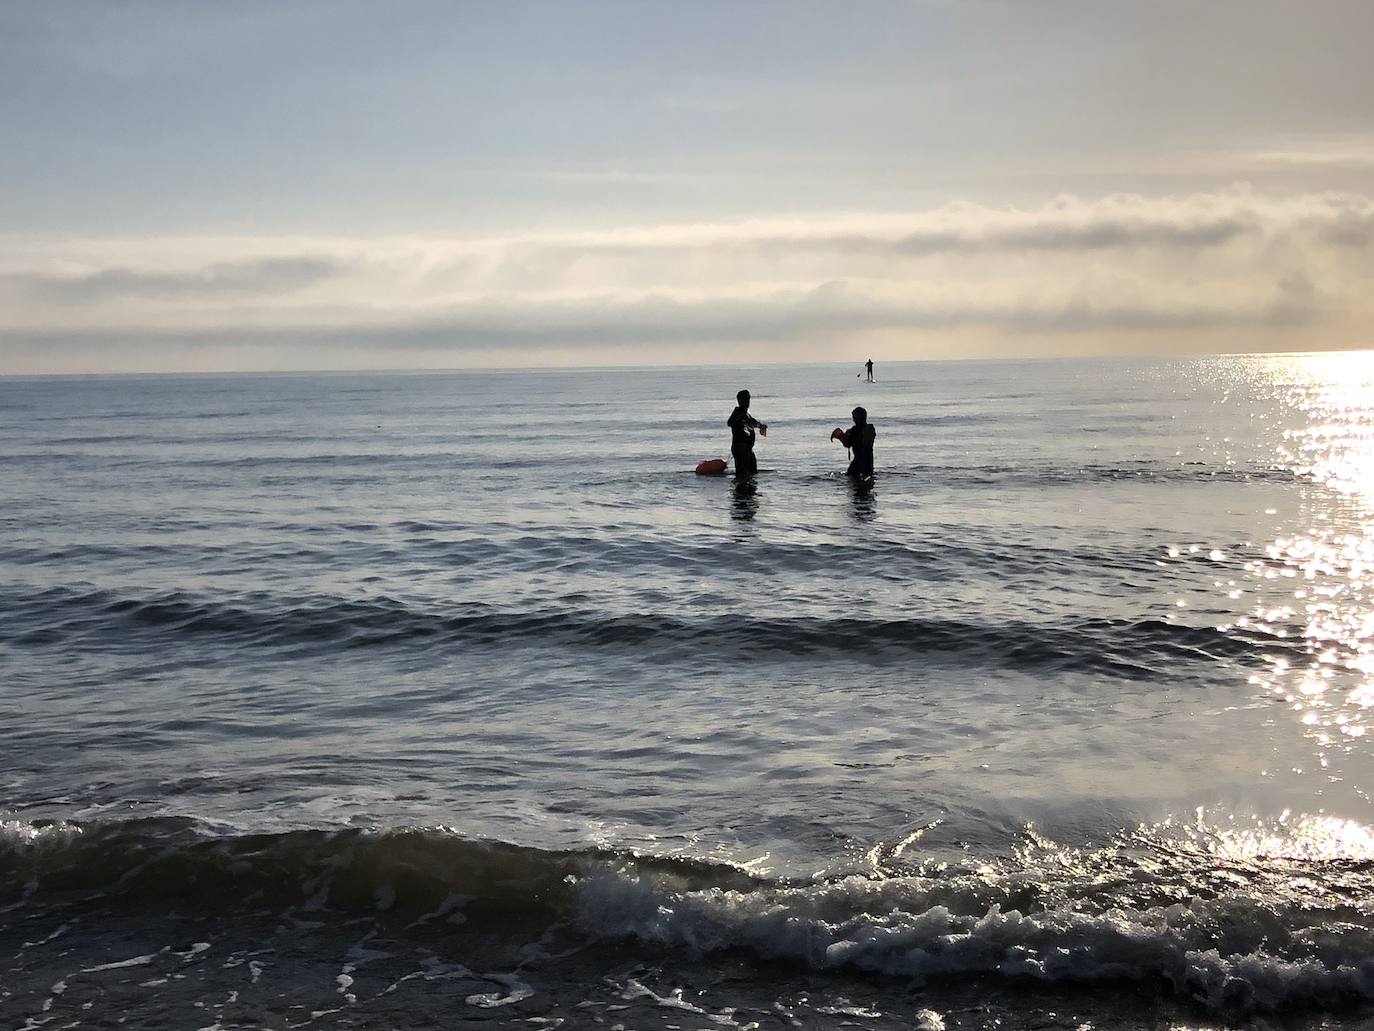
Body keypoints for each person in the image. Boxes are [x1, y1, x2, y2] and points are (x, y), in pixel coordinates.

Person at [727, 389, 765, 477]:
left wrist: (760, 425)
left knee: (752, 471)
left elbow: (752, 421)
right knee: (742, 474)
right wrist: (740, 420)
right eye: (744, 399)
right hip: (740, 447)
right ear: (739, 400)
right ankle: (741, 489)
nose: (747, 401)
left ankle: (749, 488)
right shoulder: (738, 411)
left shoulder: (746, 412)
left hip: (748, 447)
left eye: (748, 399)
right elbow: (730, 422)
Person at [832, 406, 876, 478]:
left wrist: (840, 436)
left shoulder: (854, 430)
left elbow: (847, 444)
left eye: (854, 417)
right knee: (868, 479)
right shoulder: (870, 428)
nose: (853, 420)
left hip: (858, 460)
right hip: (869, 459)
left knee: (852, 479)